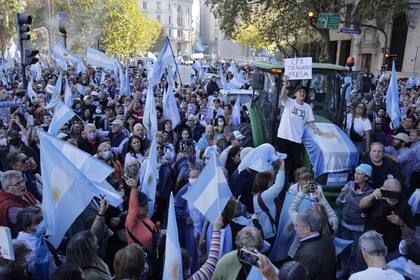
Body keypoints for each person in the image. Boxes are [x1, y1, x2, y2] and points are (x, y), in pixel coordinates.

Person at [276, 75, 323, 176]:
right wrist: (285, 83)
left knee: (295, 164)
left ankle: (293, 184)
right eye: (300, 91)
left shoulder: (307, 107)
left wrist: (316, 129)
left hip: (296, 139)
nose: (302, 93)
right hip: (284, 136)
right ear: (295, 94)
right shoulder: (289, 102)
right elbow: (282, 95)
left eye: (304, 92)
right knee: (280, 161)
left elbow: (309, 121)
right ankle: (278, 181)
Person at [360, 178, 415, 260]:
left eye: (397, 193)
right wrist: (372, 195)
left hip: (391, 252)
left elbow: (411, 234)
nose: (393, 197)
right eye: (391, 192)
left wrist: (401, 223)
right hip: (369, 250)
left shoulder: (404, 206)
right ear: (383, 189)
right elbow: (361, 205)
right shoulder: (376, 199)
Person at [336, 163, 374, 277]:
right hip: (344, 226)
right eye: (356, 173)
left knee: (357, 253)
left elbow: (360, 207)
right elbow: (338, 203)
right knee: (345, 249)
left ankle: (354, 273)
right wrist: (342, 194)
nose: (356, 175)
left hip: (359, 229)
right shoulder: (348, 186)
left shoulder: (370, 193)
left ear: (366, 177)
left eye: (360, 174)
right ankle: (344, 268)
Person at [292, 208, 336, 280]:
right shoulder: (327, 239)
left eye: (297, 225)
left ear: (307, 229)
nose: (295, 228)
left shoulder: (307, 255)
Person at [252, 159, 285, 244]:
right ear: (265, 182)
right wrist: (282, 166)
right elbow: (278, 185)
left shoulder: (257, 195)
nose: (272, 182)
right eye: (271, 180)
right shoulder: (265, 196)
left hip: (264, 231)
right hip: (268, 234)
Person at [0, 170, 39, 236]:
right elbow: (31, 222)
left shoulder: (24, 193)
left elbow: (39, 205)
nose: (23, 185)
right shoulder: (9, 206)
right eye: (18, 184)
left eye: (22, 181)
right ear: (7, 188)